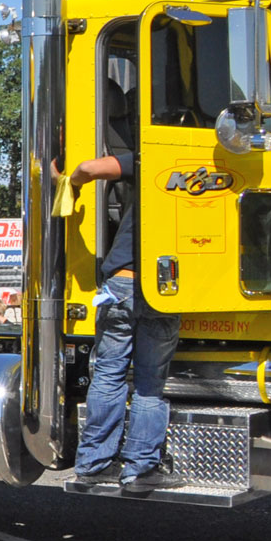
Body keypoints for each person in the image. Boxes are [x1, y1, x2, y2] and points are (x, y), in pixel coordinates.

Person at [65, 148, 185, 492]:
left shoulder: (153, 154)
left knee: (109, 374)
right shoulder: (209, 170)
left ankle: (93, 463)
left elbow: (88, 167)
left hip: (122, 281)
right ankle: (139, 469)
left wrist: (69, 183)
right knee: (150, 384)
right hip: (166, 286)